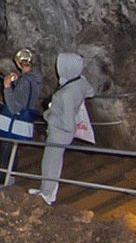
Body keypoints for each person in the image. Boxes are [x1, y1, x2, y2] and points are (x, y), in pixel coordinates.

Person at [28, 52, 95, 205]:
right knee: (54, 162)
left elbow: (66, 122)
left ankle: (47, 194)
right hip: (64, 132)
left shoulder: (65, 94)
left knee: (50, 163)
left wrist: (48, 115)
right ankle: (47, 190)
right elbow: (91, 91)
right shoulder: (80, 82)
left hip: (59, 133)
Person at [0, 48, 43, 188]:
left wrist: (7, 87)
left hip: (14, 122)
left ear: (19, 63)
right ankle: (10, 175)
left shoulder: (26, 82)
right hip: (24, 120)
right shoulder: (35, 79)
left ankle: (2, 180)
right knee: (13, 149)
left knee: (5, 150)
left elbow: (14, 106)